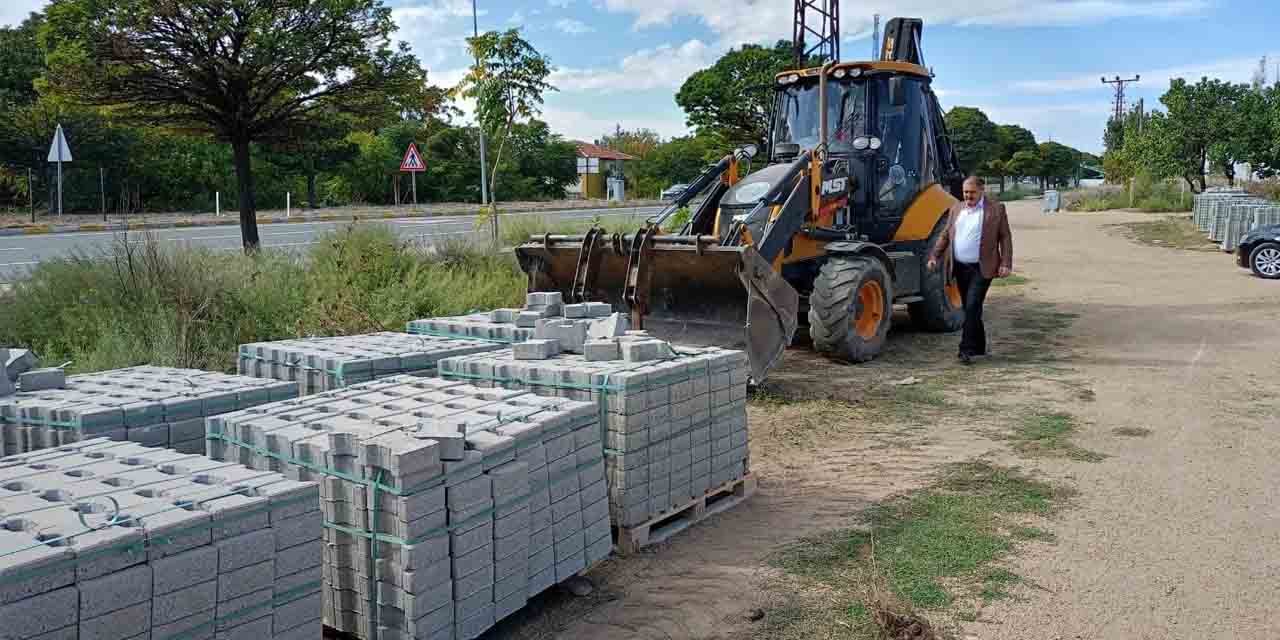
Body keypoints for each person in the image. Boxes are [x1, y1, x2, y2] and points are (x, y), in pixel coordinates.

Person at [926, 176, 1014, 364]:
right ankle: (979, 345)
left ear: (982, 190)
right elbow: (945, 235)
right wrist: (934, 256)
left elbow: (1005, 237)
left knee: (973, 305)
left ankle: (965, 349)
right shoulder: (956, 209)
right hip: (959, 267)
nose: (968, 195)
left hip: (982, 267)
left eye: (972, 192)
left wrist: (1006, 263)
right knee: (970, 308)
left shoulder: (996, 209)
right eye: (965, 192)